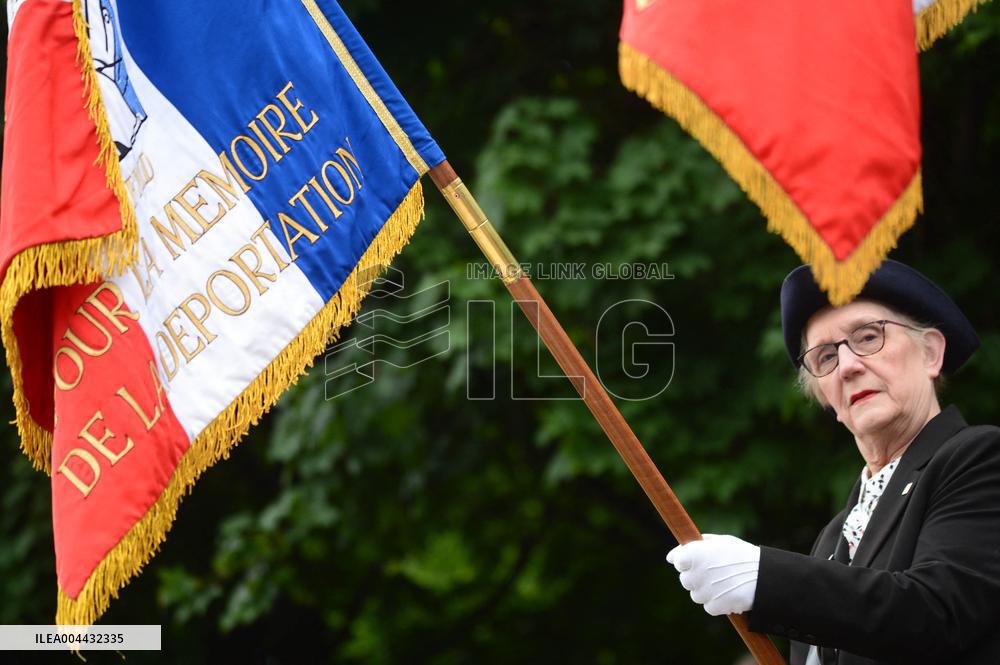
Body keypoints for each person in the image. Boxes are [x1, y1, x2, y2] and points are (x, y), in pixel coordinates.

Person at [665, 260, 1000, 664]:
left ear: (930, 352)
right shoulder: (832, 537)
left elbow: (938, 612)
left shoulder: (980, 457)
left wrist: (766, 577)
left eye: (868, 336)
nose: (848, 366)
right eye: (825, 358)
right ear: (826, 399)